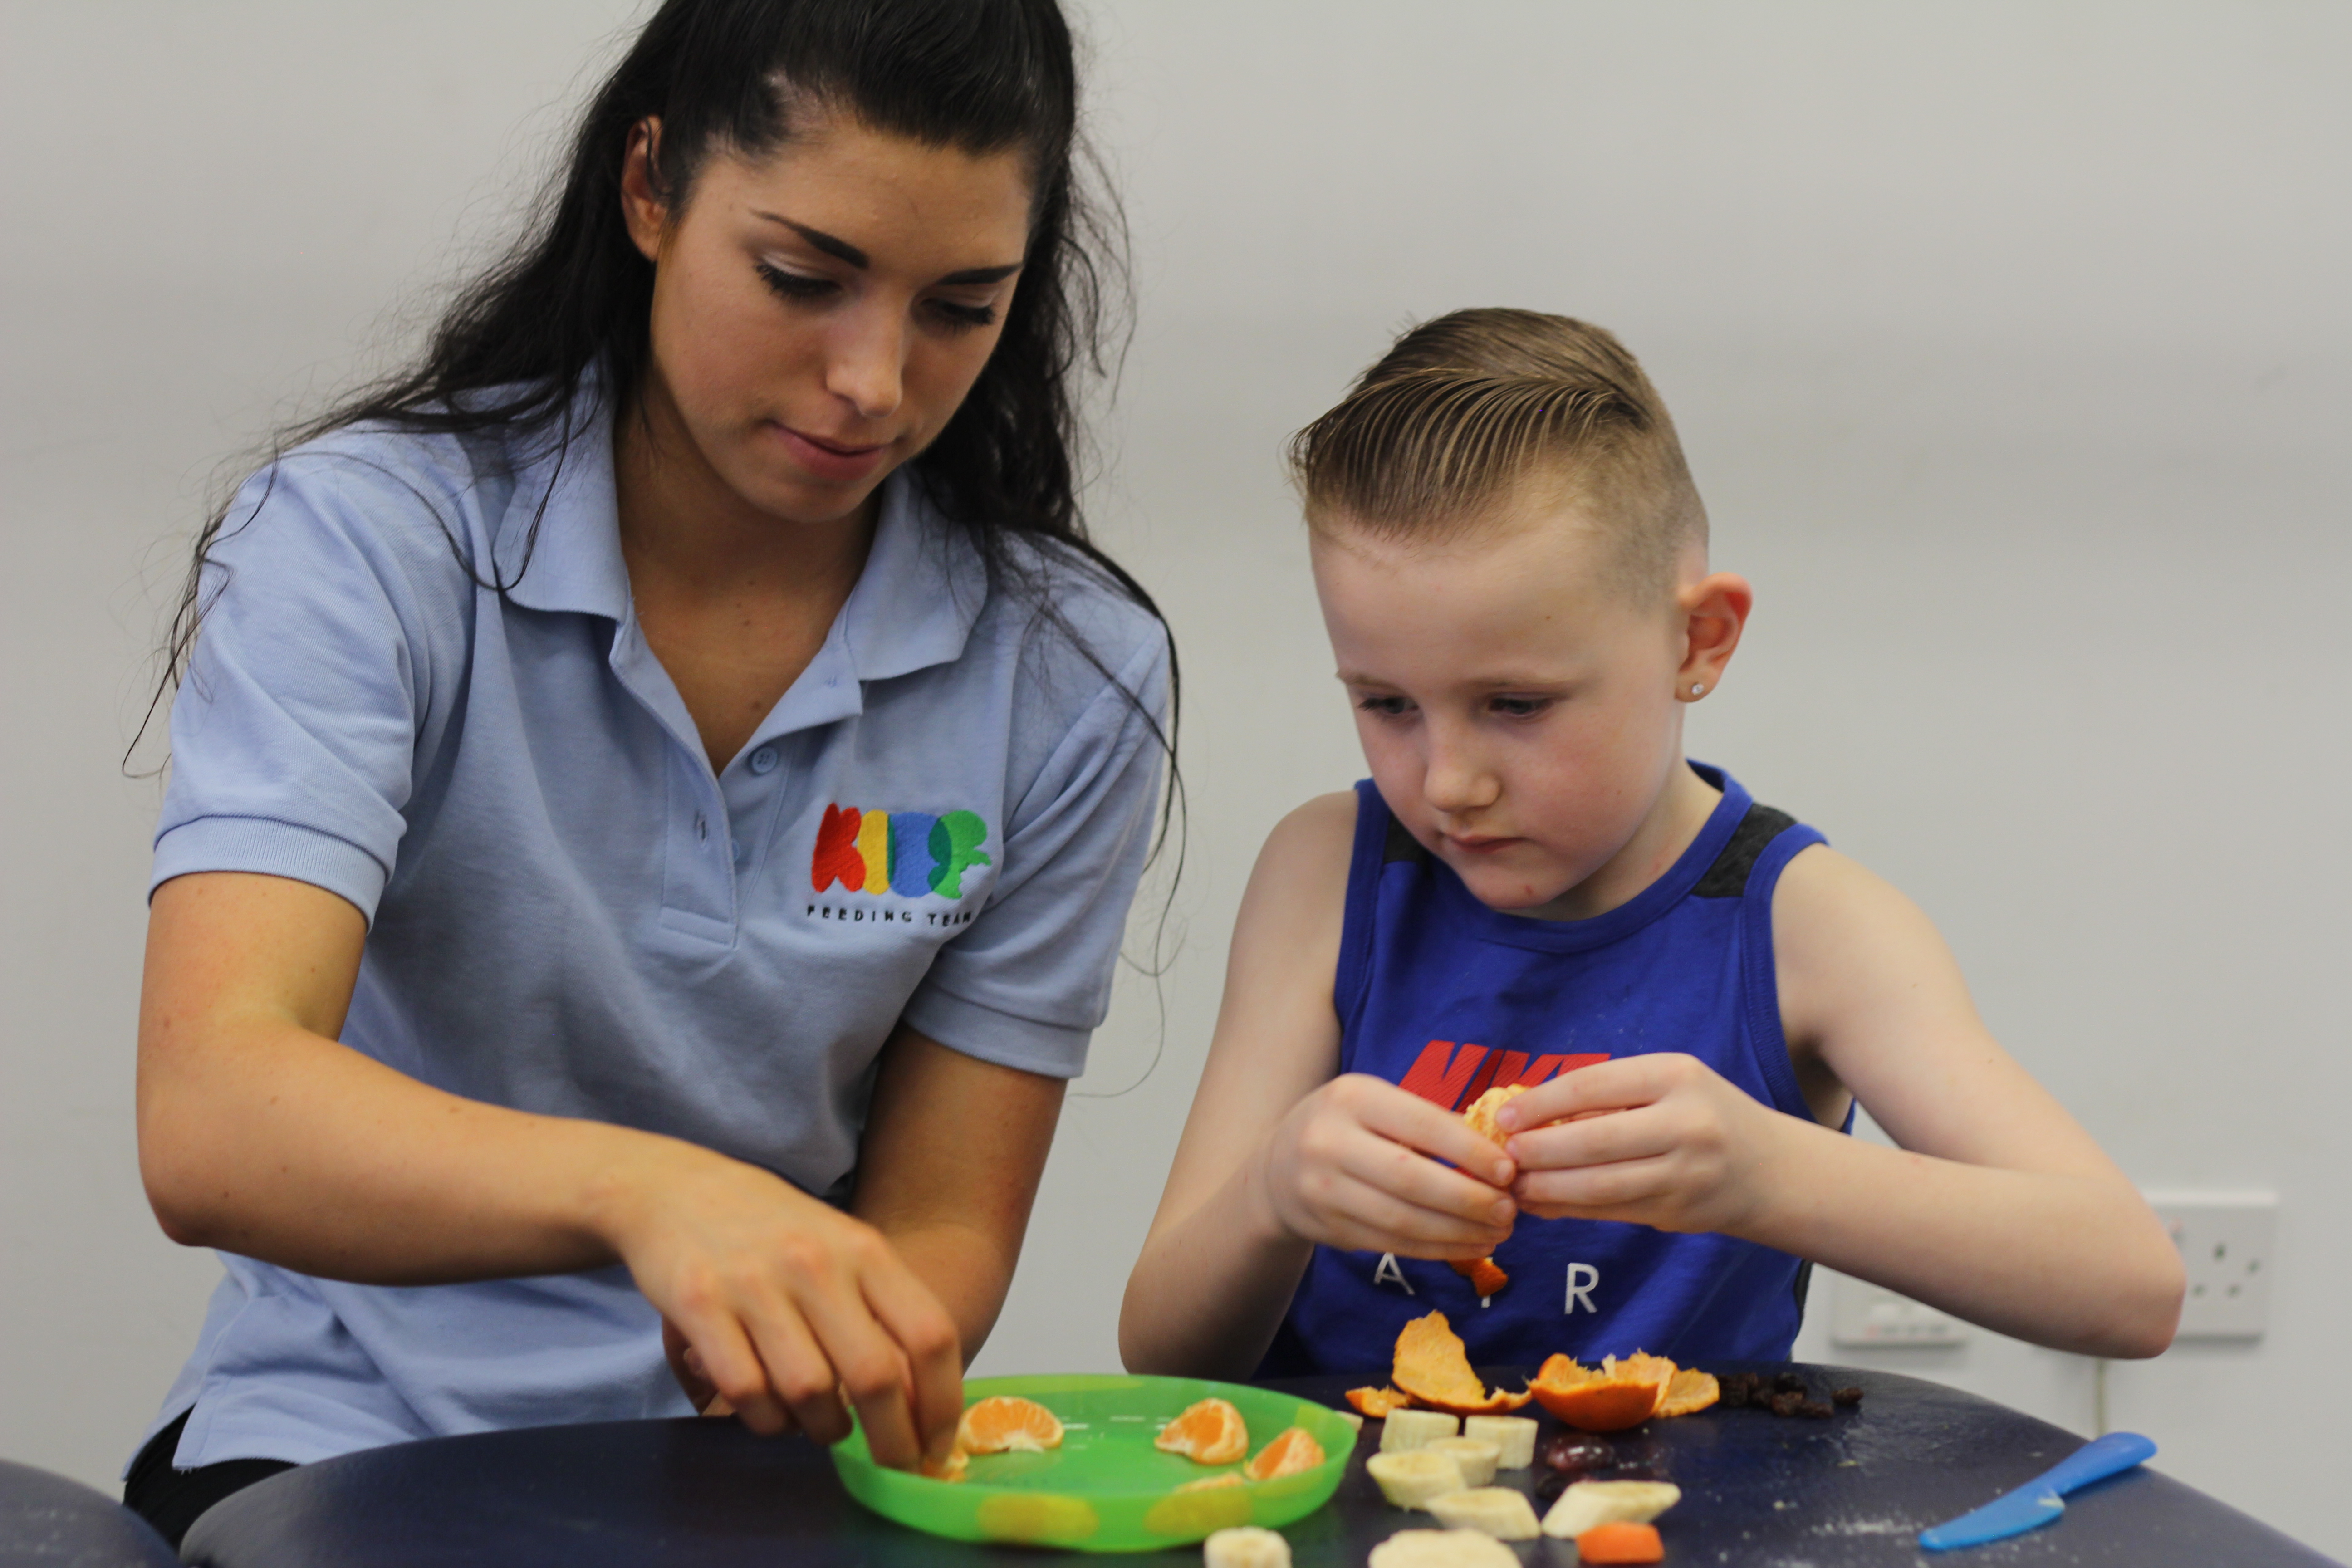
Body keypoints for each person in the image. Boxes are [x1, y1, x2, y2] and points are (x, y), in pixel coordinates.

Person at [128, 0, 1171, 1547]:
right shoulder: (369, 544)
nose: (871, 380)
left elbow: (944, 1217)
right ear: (650, 188)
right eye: (803, 279)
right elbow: (212, 1113)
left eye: (961, 306)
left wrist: (816, 1347)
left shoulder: (1071, 667)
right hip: (338, 1445)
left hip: (760, 1486)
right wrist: (655, 1195)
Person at [1119, 309, 2181, 1383]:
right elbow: (1160, 1355)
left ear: (1697, 641)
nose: (1448, 782)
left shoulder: (1810, 928)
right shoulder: (1327, 874)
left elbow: (2130, 1285)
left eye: (1517, 704)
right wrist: (1271, 1197)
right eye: (1387, 703)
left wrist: (1767, 1174)